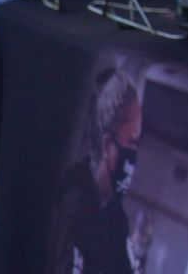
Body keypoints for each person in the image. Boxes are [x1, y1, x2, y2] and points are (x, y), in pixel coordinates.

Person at [51, 66, 145, 274]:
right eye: (131, 143)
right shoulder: (75, 204)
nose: (134, 154)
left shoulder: (115, 218)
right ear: (106, 145)